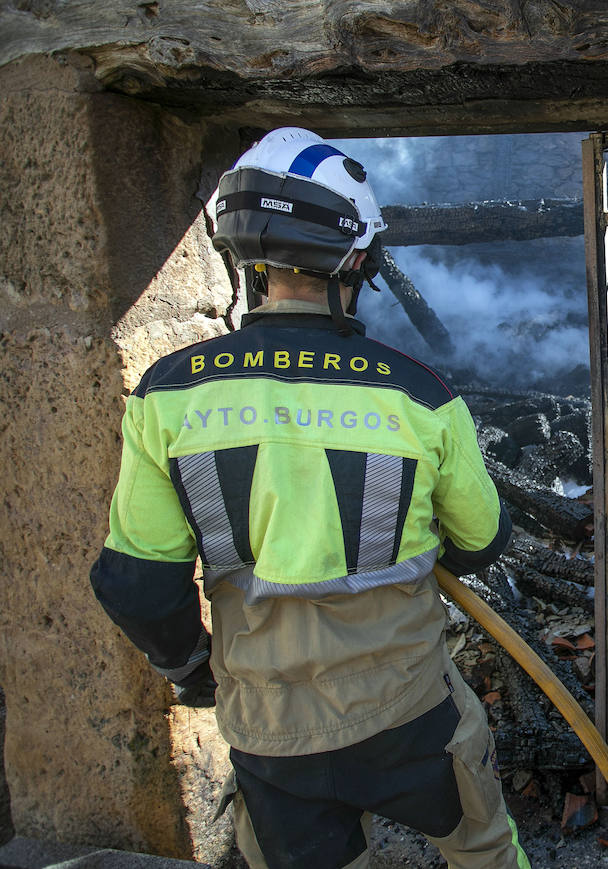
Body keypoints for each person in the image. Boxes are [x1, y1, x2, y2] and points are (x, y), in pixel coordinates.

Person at [89, 127, 529, 869]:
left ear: (243, 255)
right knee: (483, 846)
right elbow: (483, 538)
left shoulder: (168, 394)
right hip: (409, 712)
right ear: (357, 260)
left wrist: (195, 668)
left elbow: (136, 583)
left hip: (267, 727)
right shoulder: (418, 394)